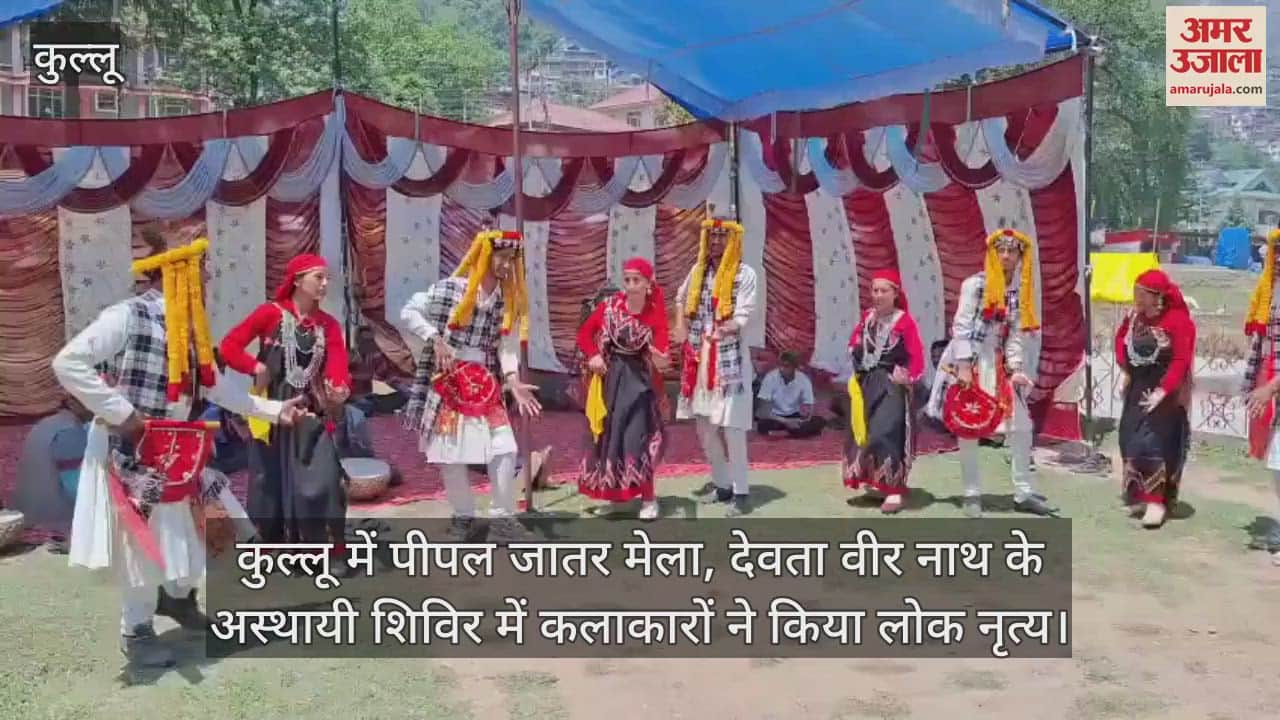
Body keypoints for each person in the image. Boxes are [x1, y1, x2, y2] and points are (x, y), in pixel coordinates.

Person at [52, 237, 305, 669]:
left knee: (203, 529)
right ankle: (136, 632)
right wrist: (125, 415)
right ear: (176, 272)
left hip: (178, 451)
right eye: (200, 271)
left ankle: (177, 600)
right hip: (133, 453)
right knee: (143, 540)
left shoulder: (191, 328)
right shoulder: (128, 316)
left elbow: (216, 387)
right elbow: (68, 362)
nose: (207, 279)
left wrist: (274, 410)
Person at [399, 229, 542, 541]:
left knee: (505, 448)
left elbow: (506, 346)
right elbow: (408, 311)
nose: (507, 265)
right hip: (449, 382)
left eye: (512, 260)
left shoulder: (507, 301)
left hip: (485, 383)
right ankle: (463, 516)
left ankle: (502, 520)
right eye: (501, 257)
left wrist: (513, 379)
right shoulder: (451, 289)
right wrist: (435, 338)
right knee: (451, 455)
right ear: (485, 256)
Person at [219, 255, 352, 563]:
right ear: (297, 280)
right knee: (268, 480)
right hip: (270, 411)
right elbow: (229, 346)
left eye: (327, 279)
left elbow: (338, 365)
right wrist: (255, 366)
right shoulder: (270, 314)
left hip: (309, 412)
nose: (325, 284)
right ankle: (270, 548)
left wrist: (339, 388)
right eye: (318, 277)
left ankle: (329, 549)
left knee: (323, 479)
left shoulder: (328, 325)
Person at [927, 228, 1056, 518]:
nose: (1006, 256)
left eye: (1012, 251)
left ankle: (1023, 493)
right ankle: (971, 494)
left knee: (1022, 427)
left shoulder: (1018, 291)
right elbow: (961, 327)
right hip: (970, 359)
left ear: (1020, 257)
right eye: (1001, 251)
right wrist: (963, 366)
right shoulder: (975, 285)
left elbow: (1015, 336)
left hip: (998, 362)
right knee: (968, 427)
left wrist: (1017, 368)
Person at [672, 215, 759, 516]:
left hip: (729, 360)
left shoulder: (744, 274)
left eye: (723, 236)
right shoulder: (697, 271)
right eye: (712, 236)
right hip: (699, 358)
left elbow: (744, 313)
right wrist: (680, 325)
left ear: (733, 240)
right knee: (705, 428)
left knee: (733, 427)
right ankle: (722, 485)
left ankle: (741, 493)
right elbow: (680, 299)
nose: (717, 241)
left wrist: (728, 327)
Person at [577, 257, 671, 520]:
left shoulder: (655, 314)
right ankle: (610, 494)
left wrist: (661, 358)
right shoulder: (609, 307)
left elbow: (663, 354)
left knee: (637, 440)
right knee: (610, 437)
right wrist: (593, 355)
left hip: (640, 385)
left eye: (636, 280)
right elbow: (584, 335)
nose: (630, 285)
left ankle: (648, 499)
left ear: (648, 284)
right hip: (610, 380)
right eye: (627, 280)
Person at [1115, 269, 1195, 529]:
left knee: (1152, 443)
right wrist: (1127, 372)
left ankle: (1156, 503)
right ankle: (1139, 496)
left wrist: (1162, 391)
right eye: (1135, 292)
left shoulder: (1178, 321)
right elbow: (1120, 342)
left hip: (1165, 392)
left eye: (1141, 293)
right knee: (1129, 438)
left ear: (1156, 296)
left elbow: (1181, 360)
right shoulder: (1134, 318)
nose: (1136, 298)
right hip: (1138, 388)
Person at [843, 270, 925, 514]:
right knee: (865, 433)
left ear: (895, 294)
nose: (878, 295)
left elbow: (917, 356)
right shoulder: (867, 318)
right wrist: (855, 349)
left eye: (883, 291)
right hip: (867, 383)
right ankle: (878, 483)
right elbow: (854, 342)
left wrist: (908, 376)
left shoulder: (904, 321)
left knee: (887, 432)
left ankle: (894, 491)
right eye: (875, 290)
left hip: (891, 386)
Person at [12, 394, 94, 552]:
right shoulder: (69, 430)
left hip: (30, 519)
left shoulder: (48, 423)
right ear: (72, 402)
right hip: (53, 524)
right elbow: (75, 489)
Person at [1242, 228, 1280, 560]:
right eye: (1275, 250)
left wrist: (1270, 387)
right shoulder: (1272, 290)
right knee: (1277, 463)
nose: (1277, 256)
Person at [755, 351, 824, 438]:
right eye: (780, 365)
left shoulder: (804, 380)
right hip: (774, 417)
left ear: (794, 367)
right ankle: (794, 433)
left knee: (819, 421)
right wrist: (785, 421)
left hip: (794, 416)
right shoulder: (770, 378)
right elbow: (763, 412)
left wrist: (806, 417)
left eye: (786, 366)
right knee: (762, 425)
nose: (781, 369)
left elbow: (809, 407)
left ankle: (784, 433)